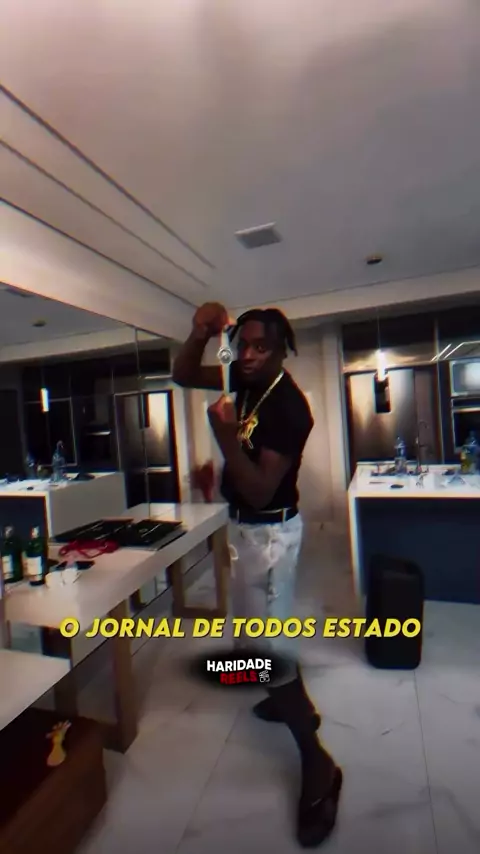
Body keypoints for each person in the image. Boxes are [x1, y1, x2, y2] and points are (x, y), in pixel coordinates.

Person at [173, 302, 342, 847]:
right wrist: (200, 331)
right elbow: (182, 373)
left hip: (270, 533)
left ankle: (318, 764)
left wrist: (224, 438)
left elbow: (261, 489)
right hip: (245, 533)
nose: (246, 355)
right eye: (241, 344)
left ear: (281, 351)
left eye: (260, 347)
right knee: (254, 637)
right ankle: (289, 699)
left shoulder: (290, 408)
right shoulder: (241, 379)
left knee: (266, 649)